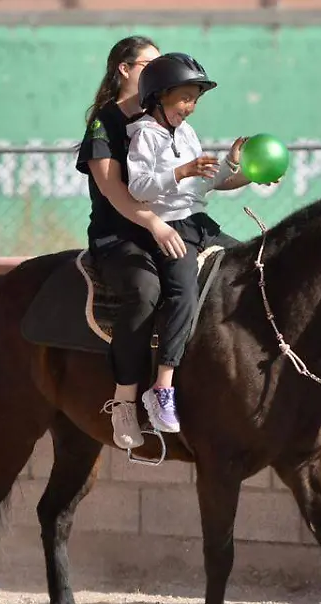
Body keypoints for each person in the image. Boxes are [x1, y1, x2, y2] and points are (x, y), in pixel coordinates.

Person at [123, 51, 254, 437]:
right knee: (182, 293)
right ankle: (162, 386)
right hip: (168, 228)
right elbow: (139, 188)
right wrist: (181, 170)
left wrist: (239, 171)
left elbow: (205, 183)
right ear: (159, 96)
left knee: (250, 264)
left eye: (195, 99)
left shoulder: (186, 134)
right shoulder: (145, 134)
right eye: (185, 97)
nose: (191, 107)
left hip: (199, 222)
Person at [75, 35, 179, 451]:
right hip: (119, 236)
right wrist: (154, 225)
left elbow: (184, 177)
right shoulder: (104, 123)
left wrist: (240, 176)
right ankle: (123, 401)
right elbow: (114, 191)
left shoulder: (163, 116)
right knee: (144, 291)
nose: (157, 73)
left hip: (170, 228)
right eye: (147, 65)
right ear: (124, 69)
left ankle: (171, 388)